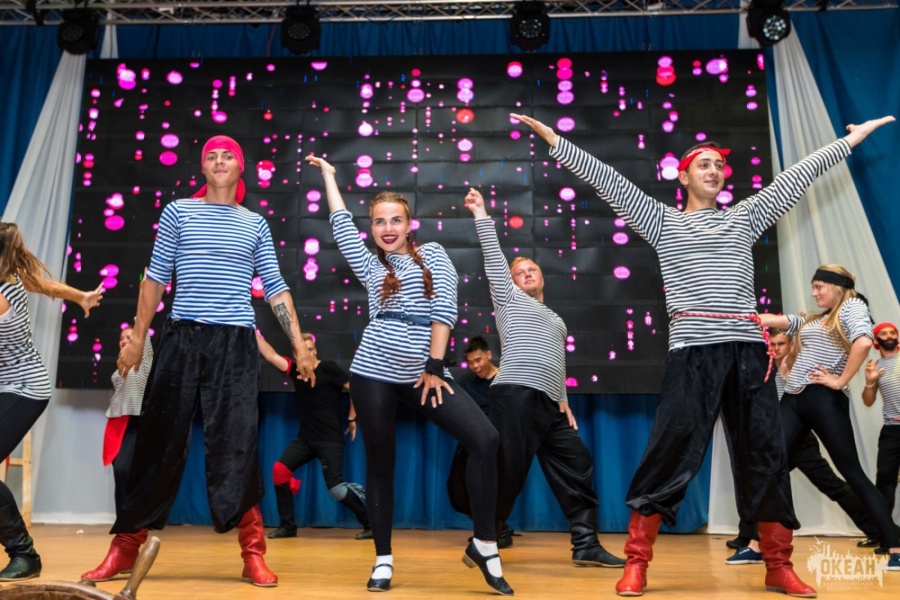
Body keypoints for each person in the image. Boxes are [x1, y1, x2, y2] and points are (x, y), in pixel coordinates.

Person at [511, 111, 895, 597]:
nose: (714, 170)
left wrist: (851, 140)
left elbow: (799, 176)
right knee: (668, 452)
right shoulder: (661, 220)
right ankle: (637, 561)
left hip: (748, 355)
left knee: (765, 456)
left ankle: (777, 564)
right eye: (704, 164)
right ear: (683, 176)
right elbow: (608, 180)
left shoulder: (744, 216)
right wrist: (554, 139)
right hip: (693, 353)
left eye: (719, 165)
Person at [92, 135, 316, 588]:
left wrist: (298, 345)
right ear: (202, 167)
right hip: (182, 338)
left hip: (234, 345)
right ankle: (125, 547)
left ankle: (253, 552)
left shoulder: (254, 223)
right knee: (156, 442)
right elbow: (155, 279)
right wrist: (138, 338)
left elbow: (275, 288)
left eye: (227, 155)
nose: (218, 160)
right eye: (211, 155)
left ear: (240, 167)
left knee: (238, 445)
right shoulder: (179, 212)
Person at [305, 154, 510, 595]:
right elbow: (340, 223)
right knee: (381, 464)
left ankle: (485, 544)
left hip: (424, 373)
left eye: (395, 219)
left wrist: (435, 367)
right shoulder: (371, 266)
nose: (388, 227)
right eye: (379, 221)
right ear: (372, 228)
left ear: (409, 223)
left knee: (486, 439)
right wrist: (329, 177)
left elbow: (445, 310)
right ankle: (383, 559)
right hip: (373, 374)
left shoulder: (432, 254)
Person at [463, 187, 624, 569]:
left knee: (578, 462)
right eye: (518, 273)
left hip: (549, 403)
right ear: (511, 282)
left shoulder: (556, 319)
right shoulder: (508, 300)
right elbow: (493, 256)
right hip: (514, 394)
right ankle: (484, 539)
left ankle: (585, 544)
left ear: (542, 277)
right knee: (508, 471)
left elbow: (555, 361)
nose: (526, 273)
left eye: (531, 269)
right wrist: (481, 213)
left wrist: (562, 399)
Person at [761, 265, 900, 571]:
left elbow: (864, 341)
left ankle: (895, 544)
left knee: (852, 472)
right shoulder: (816, 319)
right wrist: (737, 316)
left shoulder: (852, 306)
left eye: (819, 287)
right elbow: (775, 320)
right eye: (813, 287)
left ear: (837, 286)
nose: (814, 293)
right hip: (794, 397)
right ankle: (763, 544)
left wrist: (840, 381)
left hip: (823, 398)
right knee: (772, 465)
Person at [0, 221, 104, 582]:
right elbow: (44, 285)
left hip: (25, 388)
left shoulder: (3, 293)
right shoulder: (14, 276)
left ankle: (24, 554)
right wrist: (80, 296)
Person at [726, 329, 881, 565]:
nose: (776, 348)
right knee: (761, 481)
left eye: (781, 344)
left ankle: (877, 531)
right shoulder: (765, 370)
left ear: (790, 345)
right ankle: (748, 538)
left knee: (833, 486)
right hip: (777, 439)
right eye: (772, 344)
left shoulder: (798, 367)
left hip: (802, 441)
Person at [255, 330, 371, 540]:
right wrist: (252, 331)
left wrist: (352, 418)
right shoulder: (294, 370)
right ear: (296, 354)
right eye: (303, 350)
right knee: (280, 470)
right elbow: (270, 356)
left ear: (315, 350)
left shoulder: (328, 368)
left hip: (329, 440)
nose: (307, 353)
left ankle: (370, 525)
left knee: (336, 489)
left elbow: (355, 388)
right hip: (305, 439)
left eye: (310, 349)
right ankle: (288, 527)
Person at [80, 324, 154, 582]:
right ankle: (127, 545)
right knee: (120, 479)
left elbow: (145, 342)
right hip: (122, 425)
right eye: (121, 338)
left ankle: (130, 538)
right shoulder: (120, 367)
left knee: (126, 474)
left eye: (129, 337)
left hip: (141, 423)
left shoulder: (144, 361)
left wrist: (140, 329)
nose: (124, 341)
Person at [446, 336, 516, 549]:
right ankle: (491, 527)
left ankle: (495, 531)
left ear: (489, 355)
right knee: (457, 494)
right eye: (471, 362)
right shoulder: (466, 384)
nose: (475, 366)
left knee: (493, 492)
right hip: (469, 446)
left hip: (497, 448)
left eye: (478, 360)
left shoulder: (505, 381)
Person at [862, 322, 900, 539]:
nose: (889, 335)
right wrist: (870, 382)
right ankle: (884, 534)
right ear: (876, 340)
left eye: (893, 332)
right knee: (885, 480)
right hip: (891, 431)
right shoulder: (874, 366)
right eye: (884, 333)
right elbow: (868, 401)